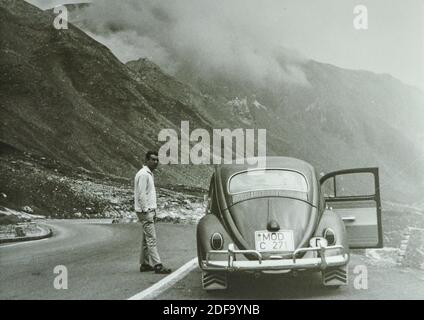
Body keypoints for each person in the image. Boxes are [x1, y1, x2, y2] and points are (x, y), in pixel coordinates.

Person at [134, 151, 172, 274]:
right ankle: (157, 265)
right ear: (146, 160)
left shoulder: (148, 174)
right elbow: (141, 194)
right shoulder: (144, 174)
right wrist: (146, 211)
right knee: (151, 238)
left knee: (146, 238)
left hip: (148, 211)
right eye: (153, 159)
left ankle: (144, 263)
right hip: (146, 211)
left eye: (157, 160)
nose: (155, 162)